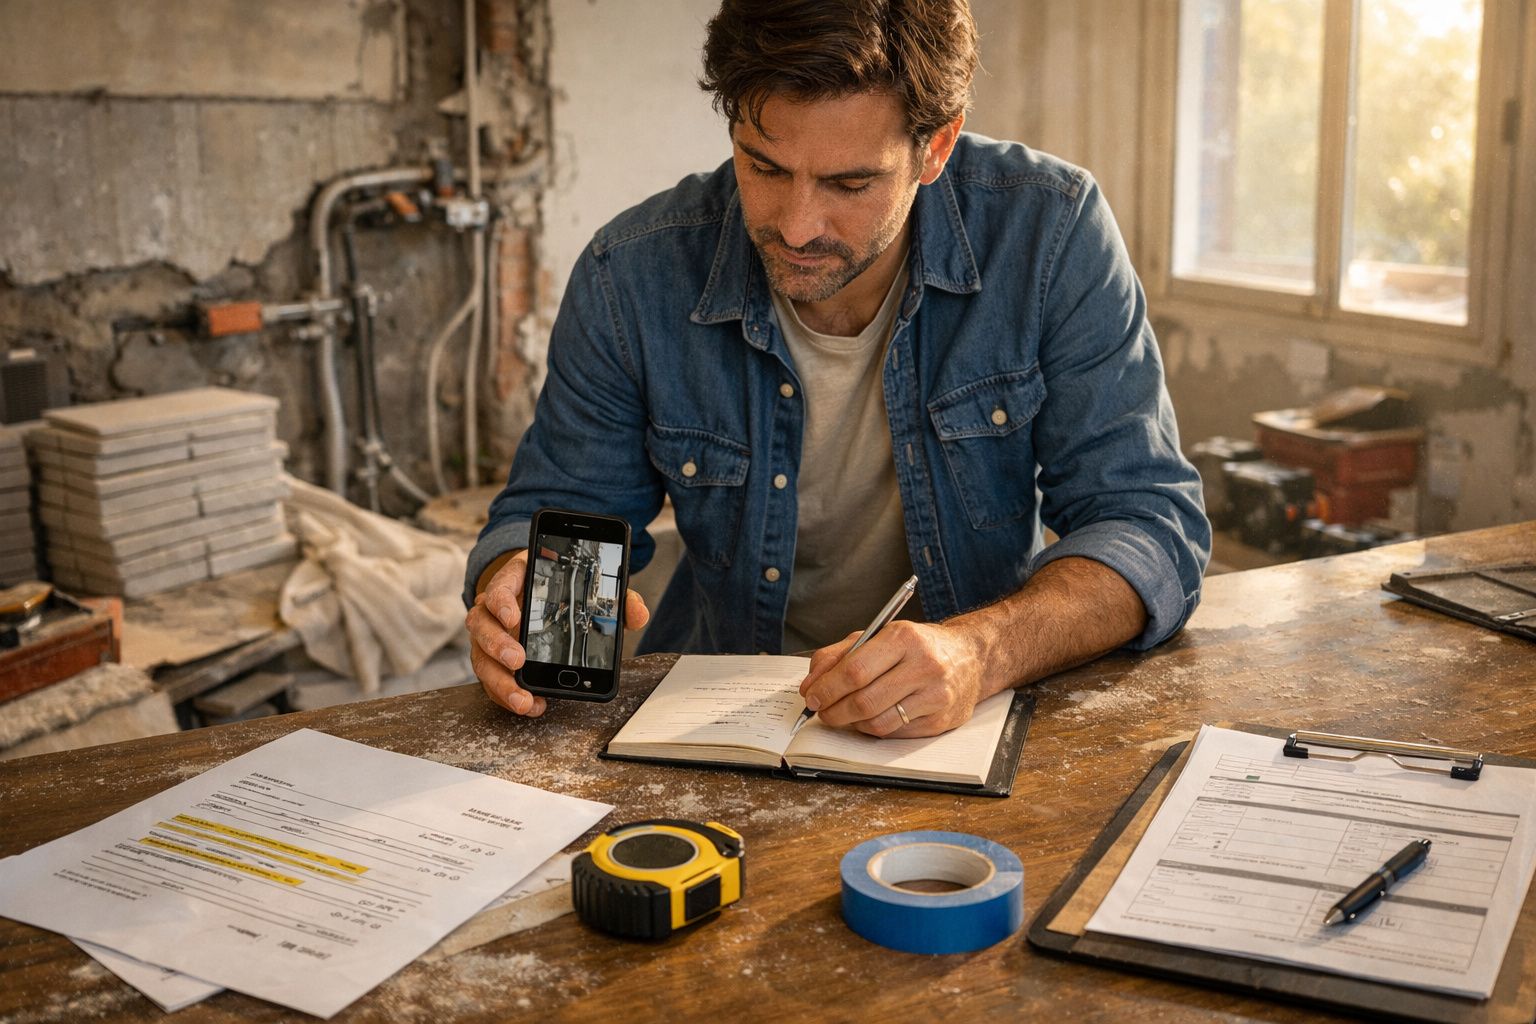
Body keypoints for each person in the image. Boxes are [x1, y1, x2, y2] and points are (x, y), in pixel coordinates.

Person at [463, 0, 1210, 738]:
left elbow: (1145, 522)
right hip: (718, 716)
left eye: (850, 185)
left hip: (969, 720)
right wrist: (517, 588)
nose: (796, 226)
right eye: (764, 166)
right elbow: (566, 508)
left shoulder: (1050, 233)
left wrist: (982, 651)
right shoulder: (631, 274)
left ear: (937, 147)